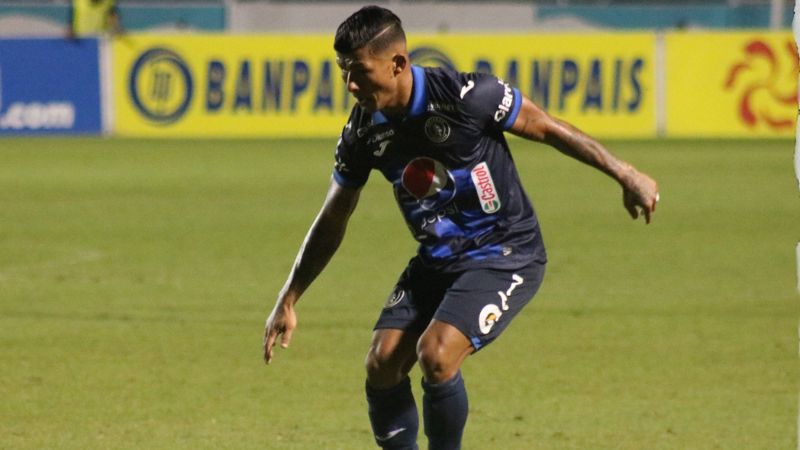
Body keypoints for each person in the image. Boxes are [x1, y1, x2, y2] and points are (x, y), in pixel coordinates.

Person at [263, 5, 659, 449]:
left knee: (435, 353)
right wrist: (290, 294)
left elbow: (546, 127)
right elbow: (335, 214)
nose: (351, 85)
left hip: (505, 253)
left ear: (397, 64)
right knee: (381, 365)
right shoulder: (362, 132)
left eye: (359, 71)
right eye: (343, 73)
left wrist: (626, 173)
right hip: (438, 259)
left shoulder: (467, 96)